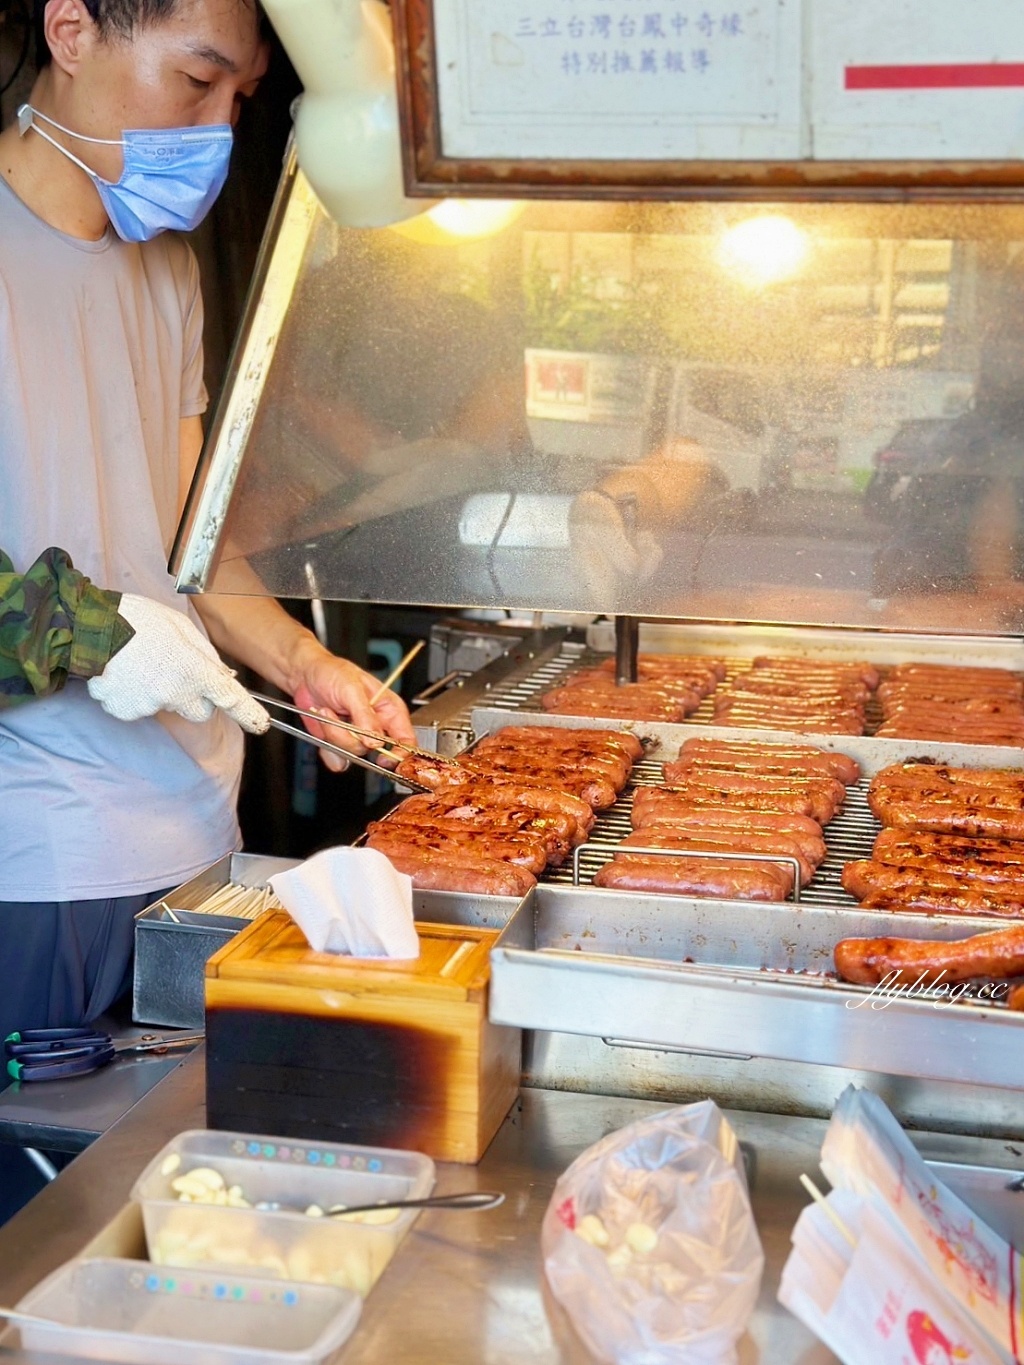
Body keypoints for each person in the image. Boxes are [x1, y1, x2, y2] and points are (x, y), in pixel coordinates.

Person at [0, 0, 417, 1045]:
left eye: (240, 98)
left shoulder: (166, 269)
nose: (219, 128)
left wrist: (301, 660)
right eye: (196, 81)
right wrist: (94, 632)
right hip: (38, 858)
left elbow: (189, 544)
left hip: (195, 832)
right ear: (72, 32)